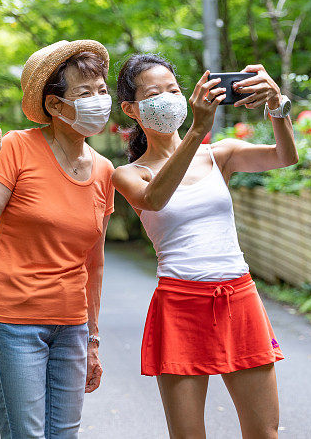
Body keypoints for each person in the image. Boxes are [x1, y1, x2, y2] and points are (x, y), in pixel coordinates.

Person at [112, 54, 298, 439]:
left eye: (173, 89)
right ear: (131, 109)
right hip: (179, 305)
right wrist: (197, 130)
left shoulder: (220, 154)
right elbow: (155, 199)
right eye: (153, 93)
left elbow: (285, 156)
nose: (168, 97)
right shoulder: (130, 174)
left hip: (238, 297)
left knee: (265, 432)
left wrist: (277, 105)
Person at [0, 40, 116, 438]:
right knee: (26, 435)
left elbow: (93, 262)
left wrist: (92, 337)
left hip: (71, 325)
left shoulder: (103, 170)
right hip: (11, 319)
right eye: (84, 93)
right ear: (54, 105)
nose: (99, 101)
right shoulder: (16, 147)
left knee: (64, 434)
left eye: (102, 90)